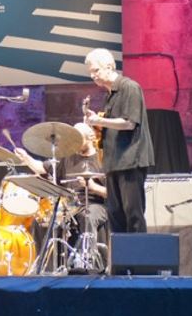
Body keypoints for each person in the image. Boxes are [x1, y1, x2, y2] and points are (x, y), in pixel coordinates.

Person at [83, 48, 154, 234]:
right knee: (115, 214)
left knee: (133, 214)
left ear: (109, 66)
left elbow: (130, 123)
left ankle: (138, 260)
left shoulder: (129, 87)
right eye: (90, 72)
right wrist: (97, 125)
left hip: (130, 161)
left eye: (96, 70)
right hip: (113, 162)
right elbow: (113, 127)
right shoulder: (110, 95)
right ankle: (121, 261)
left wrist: (99, 120)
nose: (93, 76)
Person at [13, 122, 108, 245]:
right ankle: (47, 262)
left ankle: (87, 259)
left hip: (94, 205)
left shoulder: (101, 160)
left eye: (79, 140)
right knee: (42, 220)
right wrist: (25, 157)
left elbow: (111, 194)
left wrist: (93, 187)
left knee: (87, 217)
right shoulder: (67, 157)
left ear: (90, 138)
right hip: (69, 205)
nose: (75, 144)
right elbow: (42, 168)